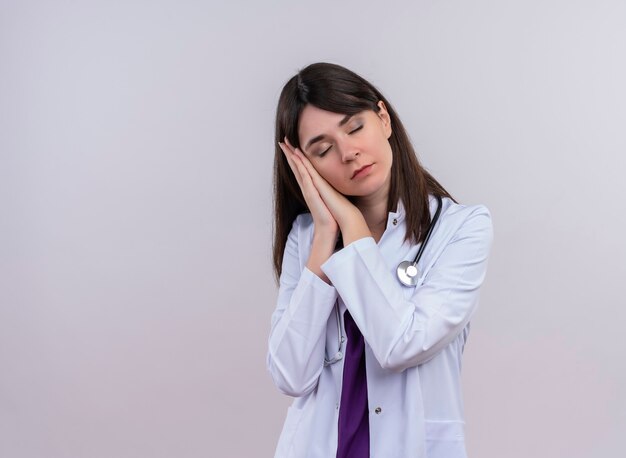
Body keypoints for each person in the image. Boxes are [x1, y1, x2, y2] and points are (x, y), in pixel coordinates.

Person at [267, 62, 493, 458]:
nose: (349, 153)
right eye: (323, 150)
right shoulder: (306, 238)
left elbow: (401, 344)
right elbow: (290, 374)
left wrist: (352, 226)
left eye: (355, 128)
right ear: (306, 167)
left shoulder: (462, 228)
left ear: (383, 119)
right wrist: (325, 235)